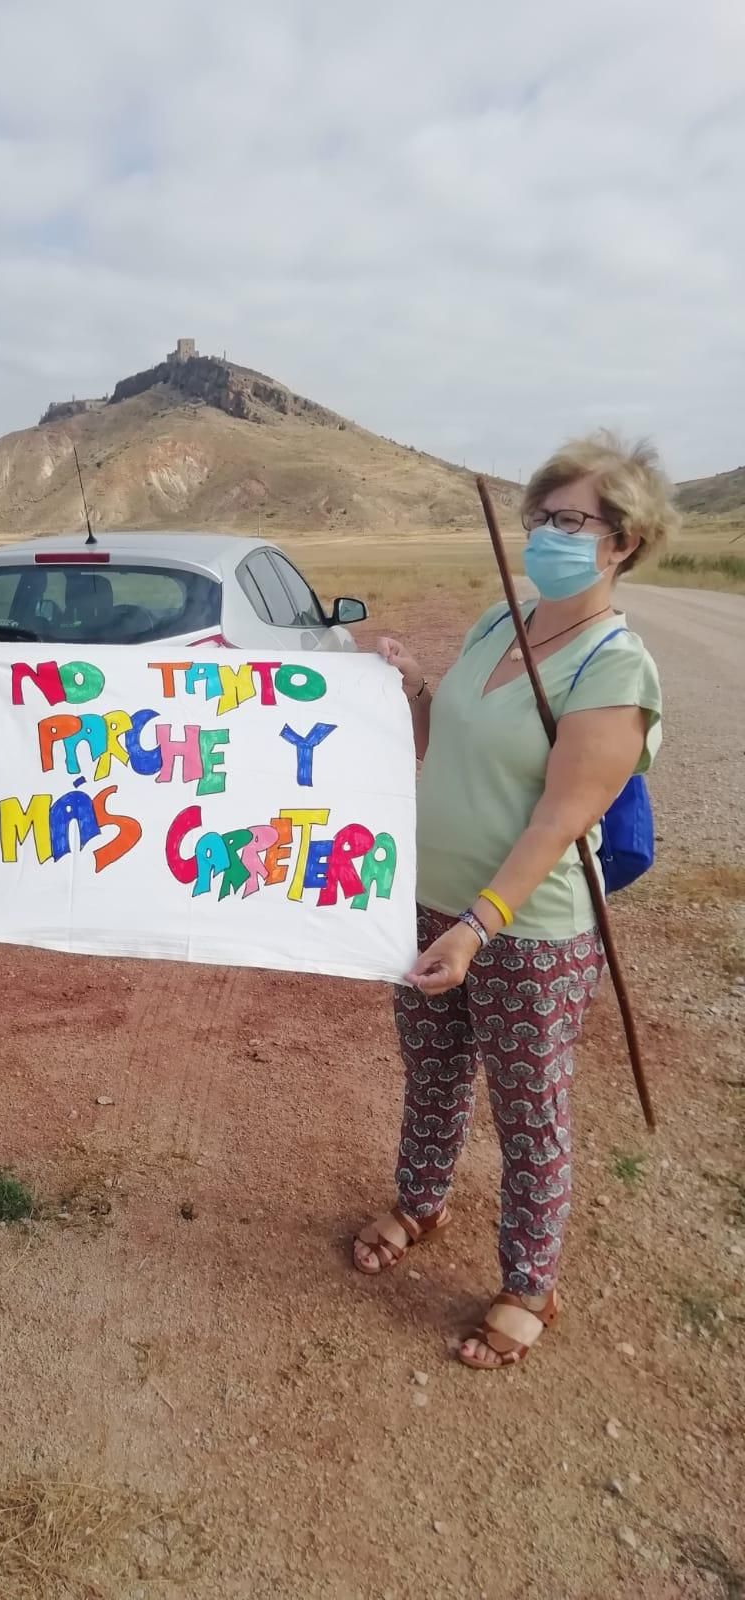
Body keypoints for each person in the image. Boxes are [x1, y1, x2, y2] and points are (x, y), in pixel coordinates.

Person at [352, 432, 675, 1370]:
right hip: (423, 902)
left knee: (529, 1111)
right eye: (542, 518)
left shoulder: (616, 666)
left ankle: (530, 1282)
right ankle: (421, 1201)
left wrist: (478, 926)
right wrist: (406, 686)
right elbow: (445, 742)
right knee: (434, 1076)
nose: (547, 536)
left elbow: (561, 814)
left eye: (571, 522)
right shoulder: (503, 622)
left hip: (523, 930)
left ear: (622, 542)